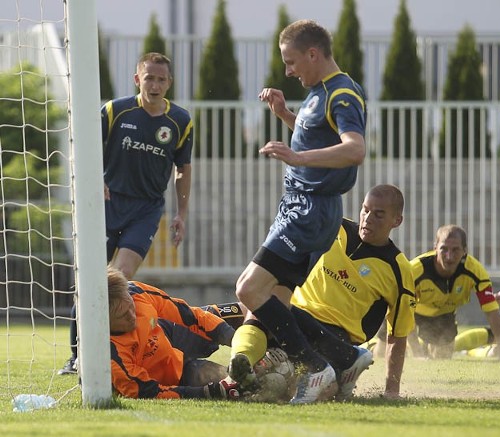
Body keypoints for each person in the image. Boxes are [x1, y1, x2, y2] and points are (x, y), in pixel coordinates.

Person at [228, 19, 366, 404]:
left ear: (312, 54)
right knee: (277, 303)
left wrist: (296, 155)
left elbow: (355, 149)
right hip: (302, 209)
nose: (288, 70)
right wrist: (285, 115)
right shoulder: (319, 91)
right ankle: (346, 356)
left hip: (308, 212)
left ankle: (315, 367)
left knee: (248, 290)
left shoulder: (342, 93)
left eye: (291, 61)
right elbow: (316, 136)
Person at [59, 52, 194, 375]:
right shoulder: (115, 111)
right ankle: (76, 354)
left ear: (169, 83)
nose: (155, 84)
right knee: (91, 280)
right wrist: (96, 180)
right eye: (150, 78)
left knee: (117, 277)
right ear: (137, 79)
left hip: (146, 210)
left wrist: (182, 214)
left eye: (162, 79)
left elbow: (183, 169)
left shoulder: (180, 121)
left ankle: (107, 351)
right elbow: (85, 145)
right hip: (106, 205)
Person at [230, 185, 415, 400]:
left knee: (313, 388)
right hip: (292, 315)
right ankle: (240, 362)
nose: (368, 218)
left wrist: (392, 390)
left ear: (397, 221)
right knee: (258, 307)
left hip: (335, 336)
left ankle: (278, 375)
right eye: (365, 210)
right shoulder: (334, 229)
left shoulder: (398, 268)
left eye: (379, 214)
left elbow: (398, 334)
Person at [106, 267, 239, 400]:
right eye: (123, 315)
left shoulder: (136, 292)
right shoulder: (111, 356)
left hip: (169, 332)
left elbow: (189, 314)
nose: (132, 315)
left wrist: (238, 343)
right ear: (104, 323)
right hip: (173, 374)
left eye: (131, 306)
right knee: (225, 381)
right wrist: (205, 392)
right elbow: (147, 392)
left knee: (231, 313)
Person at [408, 225, 500, 360]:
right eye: (444, 249)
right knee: (386, 351)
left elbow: (492, 311)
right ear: (435, 248)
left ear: (465, 251)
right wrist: (417, 353)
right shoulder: (415, 270)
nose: (449, 257)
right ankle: (374, 345)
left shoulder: (475, 271)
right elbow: (403, 312)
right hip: (409, 313)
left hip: (443, 315)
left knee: (442, 358)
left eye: (455, 250)